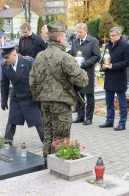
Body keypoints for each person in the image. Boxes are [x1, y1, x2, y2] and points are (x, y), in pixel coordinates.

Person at [29, 21, 88, 164]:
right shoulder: (65, 57)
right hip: (61, 104)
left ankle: (46, 163)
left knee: (48, 134)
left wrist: (40, 97)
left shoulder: (39, 56)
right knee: (61, 138)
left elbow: (32, 81)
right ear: (61, 38)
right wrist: (83, 71)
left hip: (44, 102)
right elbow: (82, 81)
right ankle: (58, 167)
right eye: (65, 37)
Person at [0, 44, 44, 145]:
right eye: (4, 57)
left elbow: (40, 79)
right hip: (16, 96)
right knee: (12, 120)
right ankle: (7, 142)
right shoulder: (4, 66)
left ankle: (46, 141)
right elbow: (4, 84)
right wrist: (3, 100)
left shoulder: (29, 62)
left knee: (38, 121)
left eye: (7, 57)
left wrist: (39, 96)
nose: (5, 60)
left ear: (14, 54)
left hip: (31, 96)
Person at [99, 27, 129, 131]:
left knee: (122, 103)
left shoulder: (126, 46)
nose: (111, 37)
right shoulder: (108, 45)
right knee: (109, 102)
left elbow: (128, 62)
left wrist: (113, 66)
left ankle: (122, 123)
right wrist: (103, 65)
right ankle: (109, 121)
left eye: (113, 35)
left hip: (119, 78)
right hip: (109, 77)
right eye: (110, 35)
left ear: (119, 35)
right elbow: (103, 59)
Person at [70, 23, 101, 125]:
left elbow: (97, 56)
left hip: (88, 71)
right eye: (77, 32)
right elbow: (72, 54)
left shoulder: (93, 41)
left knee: (89, 95)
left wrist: (84, 64)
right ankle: (80, 116)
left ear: (85, 31)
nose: (78, 34)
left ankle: (89, 117)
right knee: (79, 94)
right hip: (77, 73)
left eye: (80, 32)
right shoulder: (74, 42)